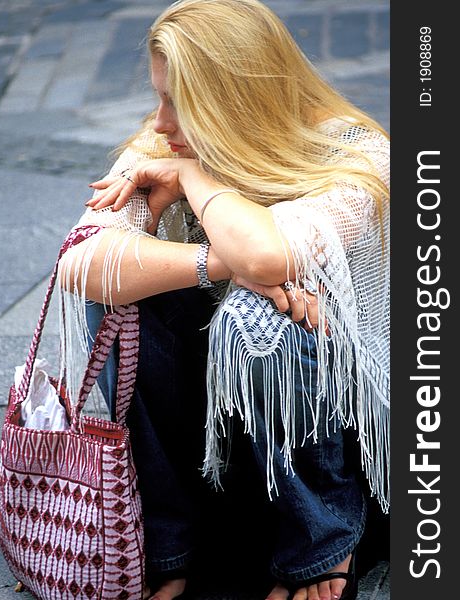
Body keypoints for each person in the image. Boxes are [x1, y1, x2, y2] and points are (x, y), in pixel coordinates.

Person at [58, 1, 390, 599]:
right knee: (123, 299)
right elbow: (80, 263)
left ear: (237, 99)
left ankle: (321, 549)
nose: (159, 125)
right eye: (158, 98)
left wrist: (194, 181)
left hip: (335, 450)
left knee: (264, 315)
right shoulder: (166, 145)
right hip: (207, 446)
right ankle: (170, 549)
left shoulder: (357, 156)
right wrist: (210, 263)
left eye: (177, 103)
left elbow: (265, 258)